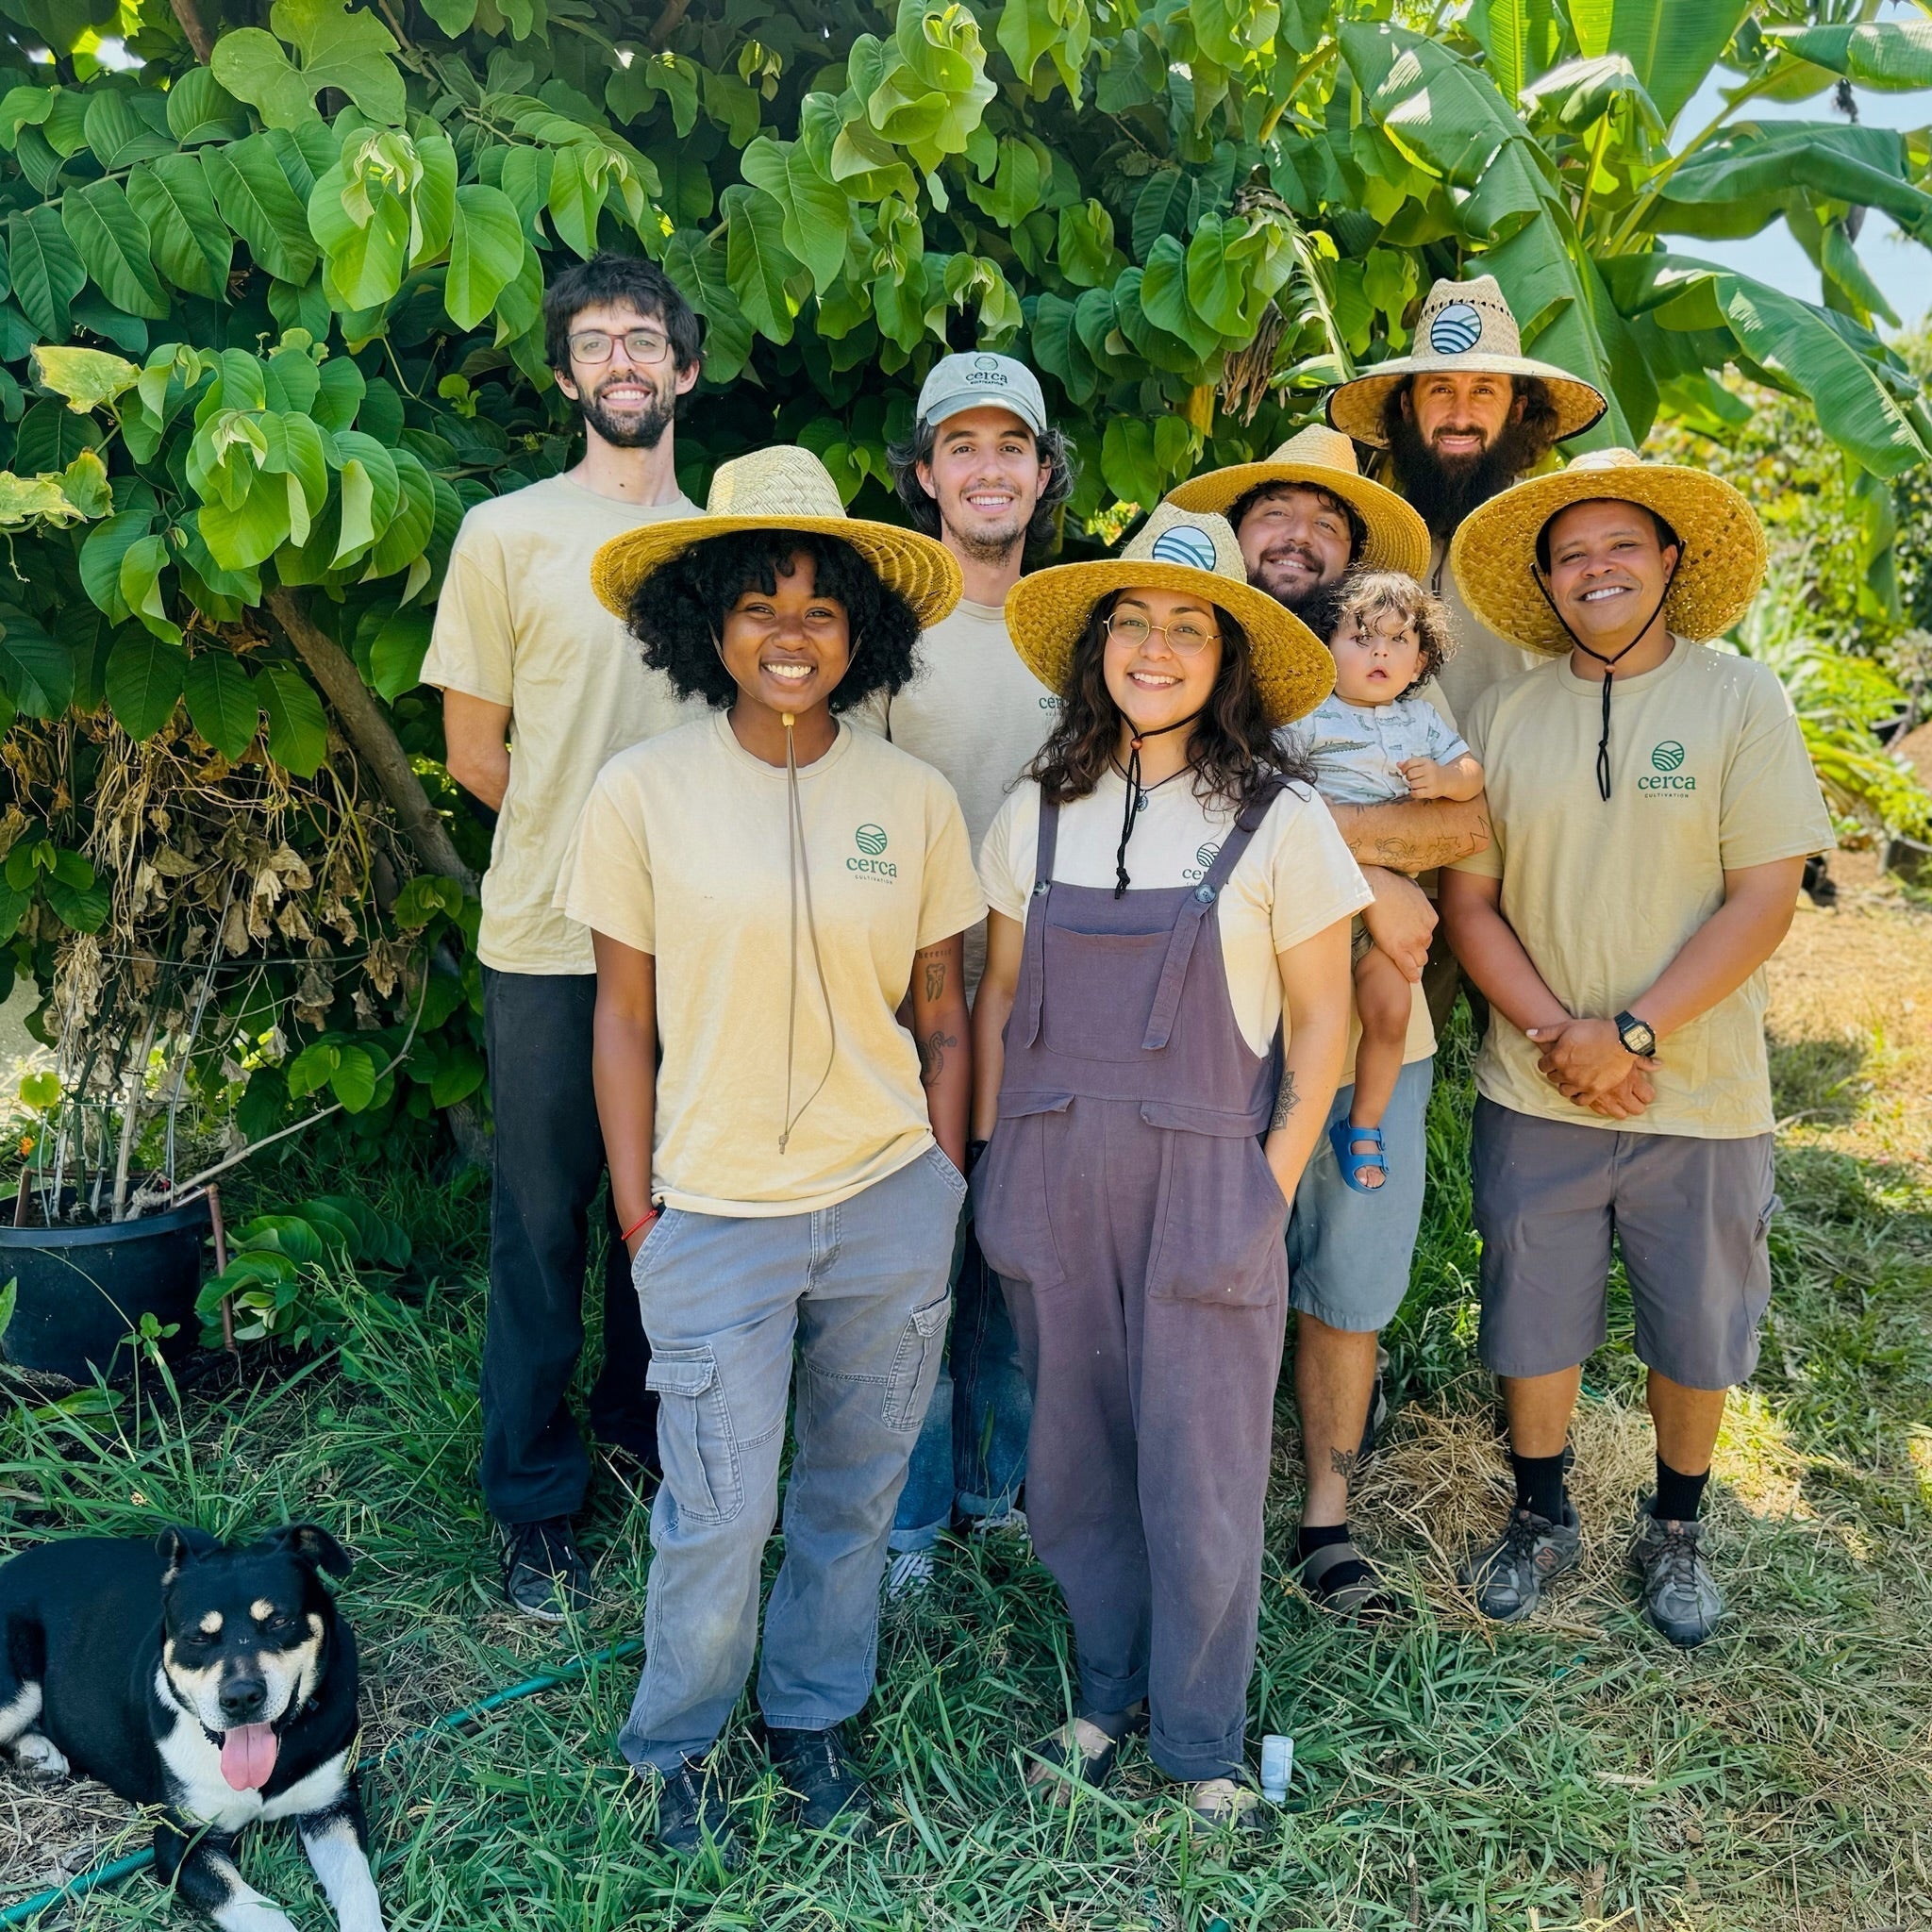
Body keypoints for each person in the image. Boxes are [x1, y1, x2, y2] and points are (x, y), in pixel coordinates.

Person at [563, 447, 984, 1858]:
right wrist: (641, 1217)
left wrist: (943, 1183)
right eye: (758, 604)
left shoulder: (912, 802)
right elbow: (622, 1023)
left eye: (818, 609)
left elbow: (943, 1012)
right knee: (718, 1514)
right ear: (707, 625)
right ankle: (678, 1743)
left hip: (884, 1205)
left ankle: (811, 1719)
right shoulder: (641, 792)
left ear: (860, 631)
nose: (788, 636)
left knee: (853, 1493)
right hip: (715, 1210)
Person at [973, 504, 1360, 1831]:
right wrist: (990, 1161)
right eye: (1131, 621)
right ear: (1096, 649)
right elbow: (1000, 995)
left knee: (1196, 1469)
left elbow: (1328, 1018)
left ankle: (1199, 1744)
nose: (1155, 647)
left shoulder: (1282, 818)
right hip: (1049, 1170)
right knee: (1073, 1461)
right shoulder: (1037, 807)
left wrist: (1268, 1181)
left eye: (1188, 625)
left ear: (1229, 656)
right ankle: (1107, 1690)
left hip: (1208, 1177)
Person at [1438, 449, 1833, 1646]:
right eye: (1570, 555)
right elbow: (1470, 905)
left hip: (1698, 1090)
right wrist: (1564, 1039)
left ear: (1669, 561)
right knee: (1531, 1311)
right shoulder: (1506, 714)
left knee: (1693, 1322)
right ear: (1546, 585)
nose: (1594, 568)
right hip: (1537, 1080)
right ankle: (1539, 1509)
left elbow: (1760, 898)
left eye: (1619, 546)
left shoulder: (1737, 700)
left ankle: (1675, 1529)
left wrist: (1634, 1030)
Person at [423, 252, 705, 1622]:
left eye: (643, 337)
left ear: (685, 370)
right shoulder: (505, 534)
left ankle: (638, 1445)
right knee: (545, 1224)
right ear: (565, 377)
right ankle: (534, 1505)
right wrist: (588, 840)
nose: (622, 361)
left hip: (703, 950)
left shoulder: (728, 551)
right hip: (546, 937)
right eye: (595, 342)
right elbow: (478, 753)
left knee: (676, 1217)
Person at [1170, 425, 1485, 1613]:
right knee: (1212, 1263)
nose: (1297, 536)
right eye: (1275, 513)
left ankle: (1325, 1517)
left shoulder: (1391, 667)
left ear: (1351, 553)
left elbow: (1464, 829)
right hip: (1223, 1030)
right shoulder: (1199, 653)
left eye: (1327, 519)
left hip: (1367, 1043)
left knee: (1346, 1276)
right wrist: (1376, 872)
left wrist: (1353, 856)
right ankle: (1210, 1505)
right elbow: (1204, 812)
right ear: (1240, 533)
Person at [869, 353, 1076, 1594]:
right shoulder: (891, 641)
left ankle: (996, 1499)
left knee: (1013, 1260)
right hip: (911, 1001)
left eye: (1013, 447)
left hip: (1048, 1005)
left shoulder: (1074, 633)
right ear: (927, 474)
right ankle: (905, 1528)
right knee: (909, 1277)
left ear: (1042, 475)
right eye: (964, 446)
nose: (990, 469)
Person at [1325, 275, 1608, 1035]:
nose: (1459, 413)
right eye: (1440, 390)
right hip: (1382, 839)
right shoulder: (1366, 534)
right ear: (1406, 408)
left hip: (1524, 843)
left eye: (1484, 391)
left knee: (1514, 1045)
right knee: (1388, 1039)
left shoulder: (1556, 538)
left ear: (1518, 409)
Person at [1285, 572, 1481, 1193]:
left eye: (1398, 642)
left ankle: (1363, 1126)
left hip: (1387, 908)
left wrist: (1446, 782)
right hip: (1316, 902)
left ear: (1421, 658)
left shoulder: (1421, 723)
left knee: (1390, 1015)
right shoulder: (1306, 718)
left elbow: (1472, 775)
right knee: (1308, 1021)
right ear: (1326, 646)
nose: (1379, 653)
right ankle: (1283, 1128)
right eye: (1362, 637)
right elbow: (1268, 794)